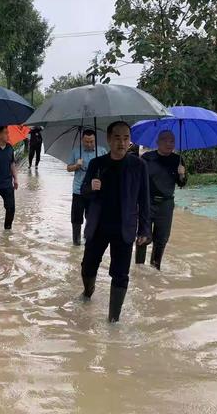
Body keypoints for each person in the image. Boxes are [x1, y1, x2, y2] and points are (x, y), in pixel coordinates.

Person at [80, 121, 151, 323]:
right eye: (117, 138)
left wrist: (145, 229)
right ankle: (87, 293)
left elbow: (144, 200)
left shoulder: (139, 166)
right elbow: (83, 192)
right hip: (98, 226)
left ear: (130, 141)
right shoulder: (97, 164)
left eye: (126, 138)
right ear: (109, 140)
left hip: (124, 228)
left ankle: (113, 320)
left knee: (120, 275)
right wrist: (91, 187)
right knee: (88, 266)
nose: (122, 142)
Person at [135, 130, 187, 270]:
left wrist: (182, 175)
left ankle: (155, 269)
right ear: (158, 142)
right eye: (165, 140)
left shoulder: (178, 160)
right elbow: (137, 180)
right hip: (147, 202)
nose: (169, 144)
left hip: (166, 204)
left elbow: (182, 184)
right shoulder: (147, 158)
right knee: (143, 237)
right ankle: (138, 269)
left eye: (172, 141)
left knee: (161, 239)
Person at [66, 129, 107, 245]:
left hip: (94, 191)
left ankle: (89, 241)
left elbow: (108, 170)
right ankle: (76, 243)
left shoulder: (102, 151)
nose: (89, 144)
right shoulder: (75, 151)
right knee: (76, 219)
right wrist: (76, 165)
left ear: (95, 140)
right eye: (86, 142)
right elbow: (68, 168)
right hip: (78, 190)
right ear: (82, 140)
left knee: (92, 218)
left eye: (91, 141)